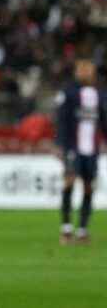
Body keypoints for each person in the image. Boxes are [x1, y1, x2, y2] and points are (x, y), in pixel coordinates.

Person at [55, 58, 106, 244]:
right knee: (68, 182)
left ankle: (83, 230)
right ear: (77, 72)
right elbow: (61, 120)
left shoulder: (100, 94)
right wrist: (59, 144)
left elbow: (103, 120)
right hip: (72, 147)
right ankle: (66, 229)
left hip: (91, 150)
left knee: (88, 187)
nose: (85, 73)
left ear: (92, 72)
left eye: (88, 70)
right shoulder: (68, 93)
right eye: (82, 69)